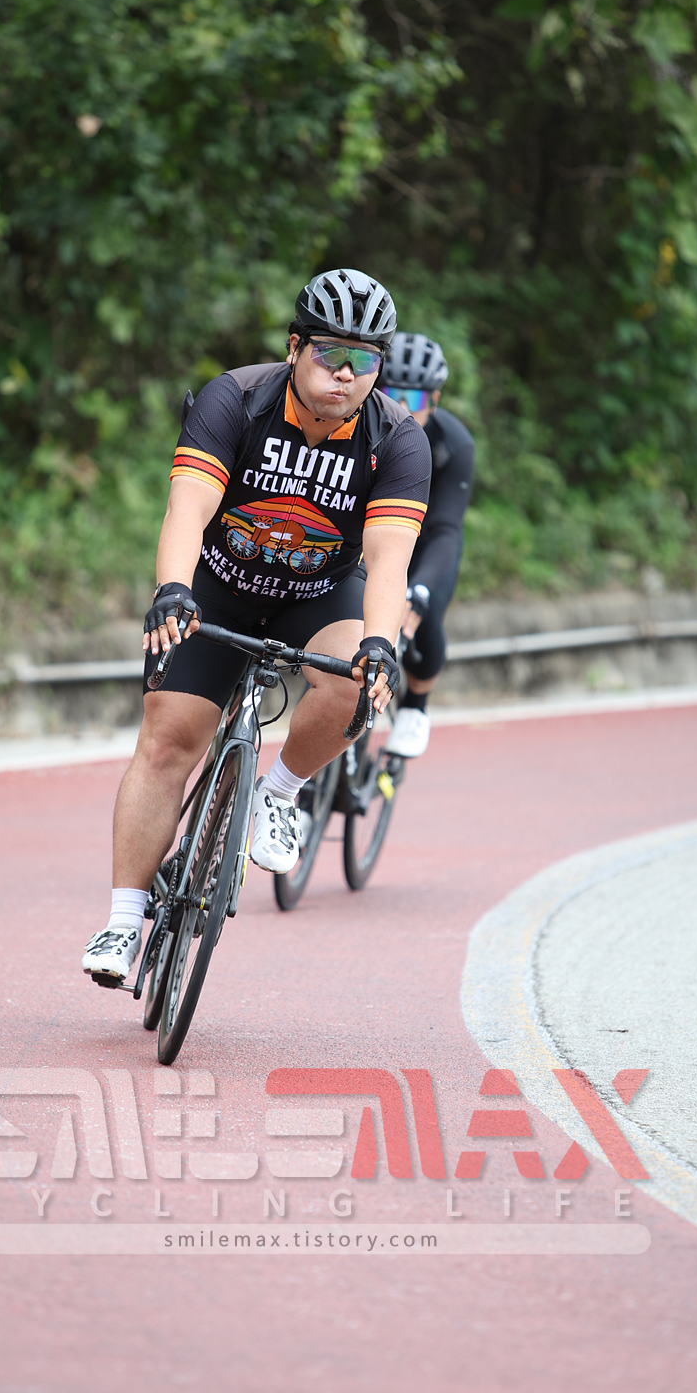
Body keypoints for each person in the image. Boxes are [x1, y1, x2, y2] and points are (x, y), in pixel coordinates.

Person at [82, 270, 432, 984]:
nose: (345, 373)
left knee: (355, 684)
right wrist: (173, 590)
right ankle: (121, 922)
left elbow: (389, 559)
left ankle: (279, 790)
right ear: (294, 347)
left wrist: (380, 644)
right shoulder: (236, 399)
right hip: (220, 586)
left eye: (364, 360)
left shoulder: (397, 439)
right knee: (167, 742)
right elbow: (188, 509)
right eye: (330, 353)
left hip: (319, 594)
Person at [377, 334, 475, 759]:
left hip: (427, 541)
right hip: (371, 535)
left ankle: (416, 705)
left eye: (413, 397)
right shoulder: (353, 427)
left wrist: (417, 590)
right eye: (390, 393)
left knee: (424, 609)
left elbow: (447, 528)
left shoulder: (454, 443)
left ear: (433, 401)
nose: (401, 406)